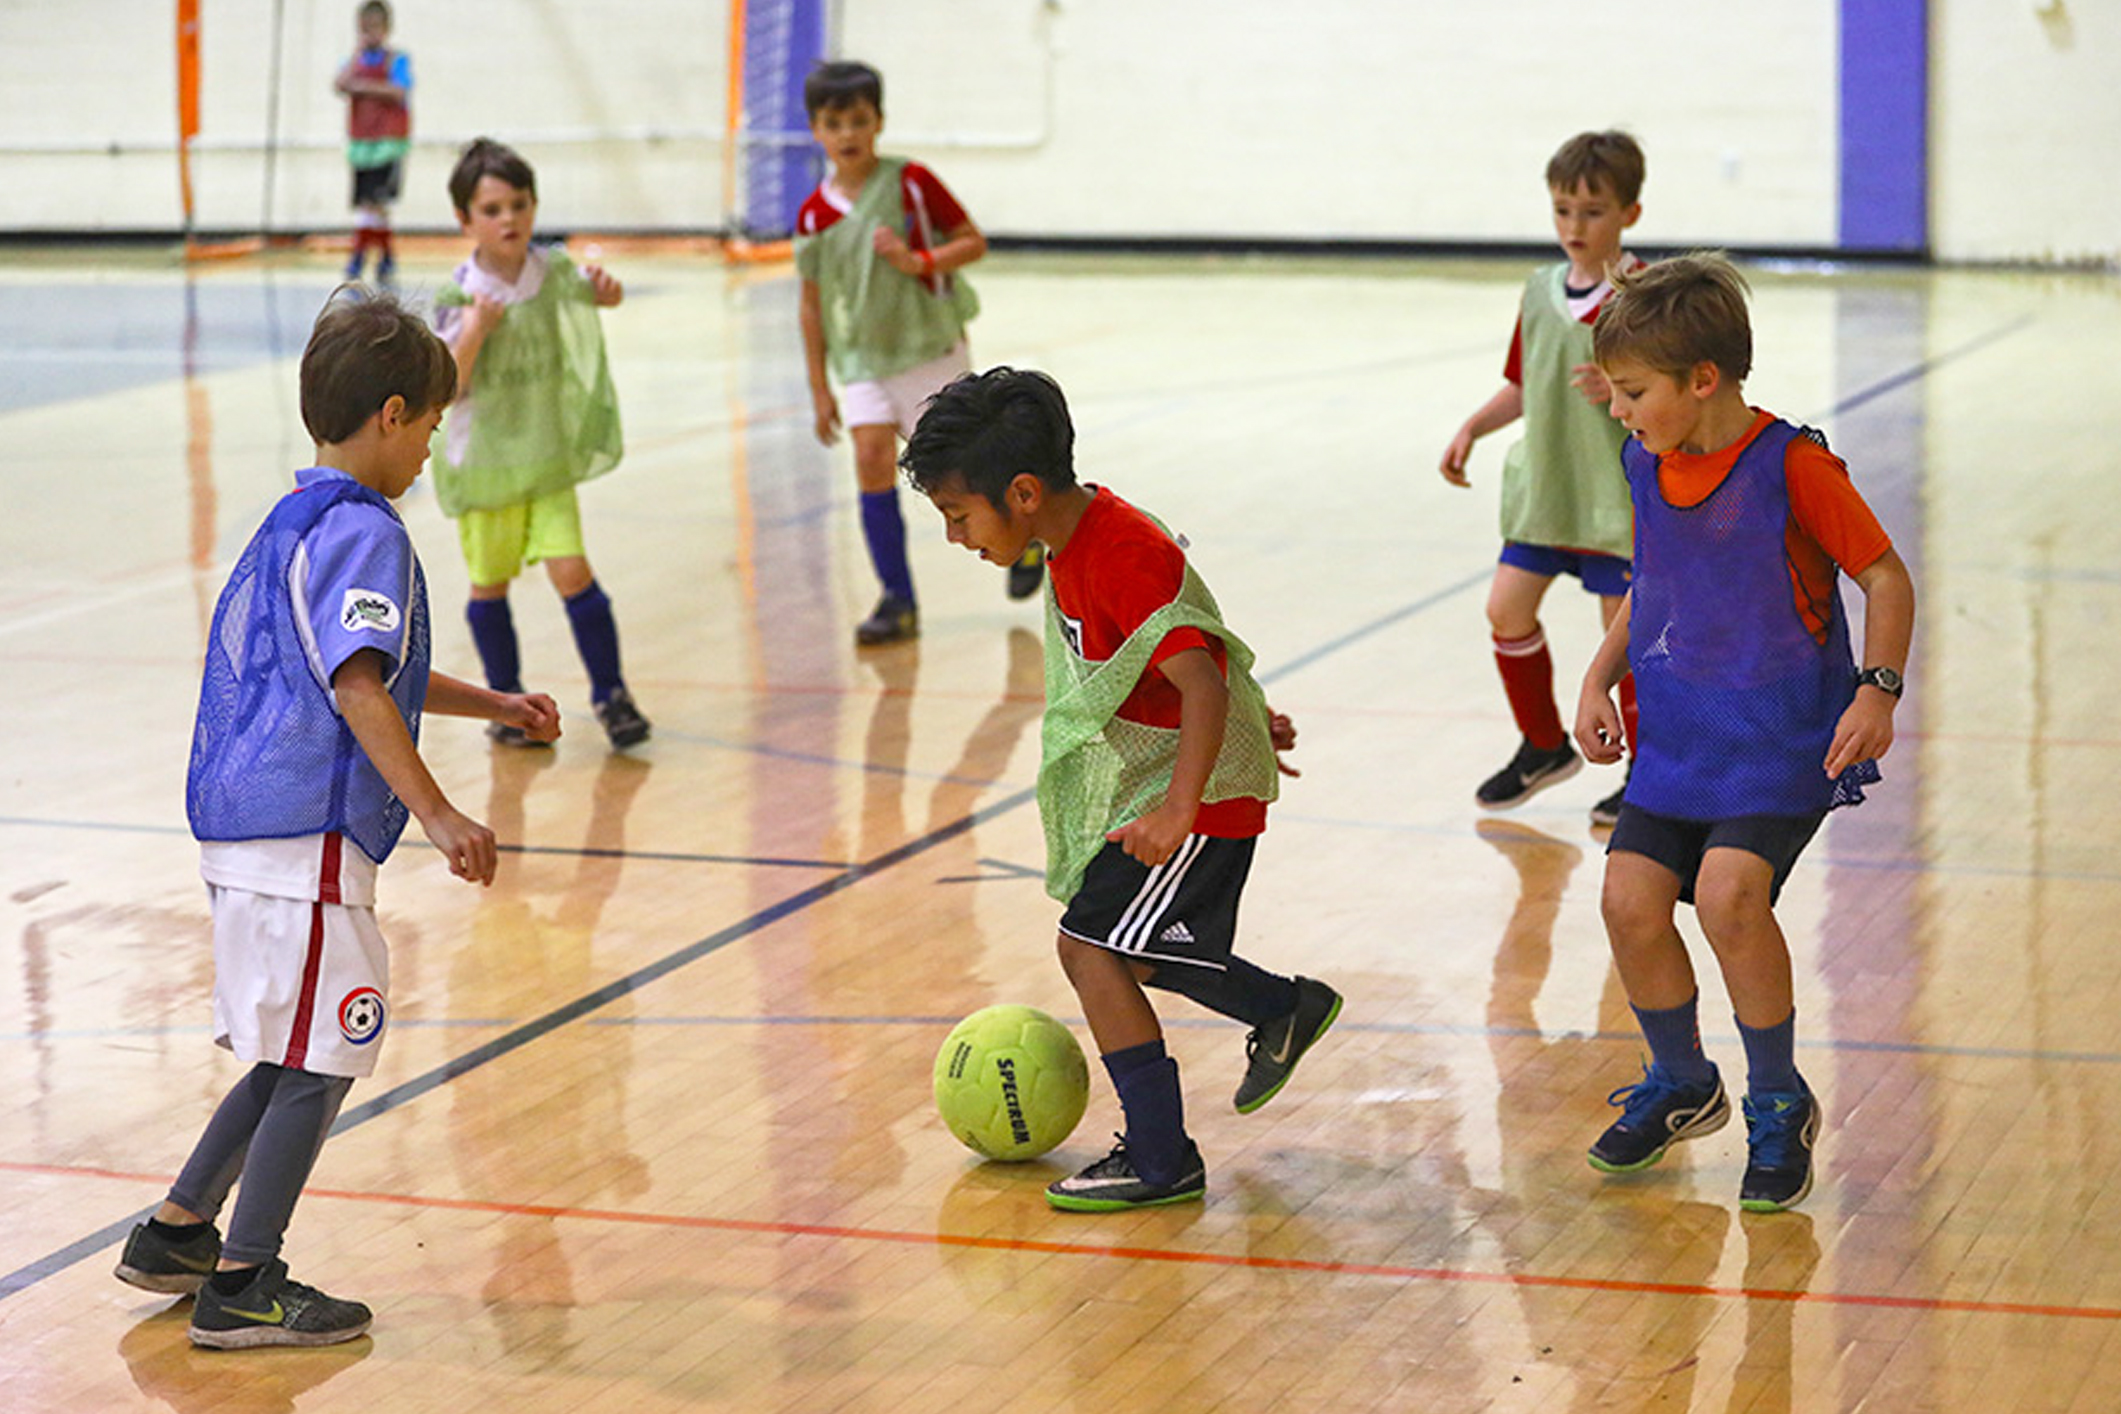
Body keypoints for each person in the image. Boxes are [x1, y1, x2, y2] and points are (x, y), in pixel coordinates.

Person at [112, 292, 562, 1346]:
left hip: (249, 827)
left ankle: (177, 1231)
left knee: (289, 1046)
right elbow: (359, 686)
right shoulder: (363, 529)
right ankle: (243, 1282)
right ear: (393, 414)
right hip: (300, 833)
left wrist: (492, 702)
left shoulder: (297, 518)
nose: (428, 456)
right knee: (328, 1049)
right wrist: (444, 813)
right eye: (432, 431)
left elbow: (368, 669)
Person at [900, 367, 1342, 1212]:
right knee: (1136, 949)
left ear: (1022, 492)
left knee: (1088, 948)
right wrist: (1250, 720)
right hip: (1184, 782)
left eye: (958, 517)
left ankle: (1159, 1155)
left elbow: (1201, 679)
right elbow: (1183, 658)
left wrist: (1179, 806)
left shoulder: (1119, 551)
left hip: (1197, 801)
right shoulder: (1073, 537)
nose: (956, 536)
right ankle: (1281, 1009)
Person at [1573, 253, 1915, 1212]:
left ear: (1703, 380)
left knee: (1728, 897)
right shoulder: (1647, 459)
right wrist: (1600, 675)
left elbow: (1884, 577)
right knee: (1628, 902)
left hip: (1777, 736)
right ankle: (1682, 1082)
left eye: (1633, 391)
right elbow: (1654, 589)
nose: (1619, 411)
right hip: (1681, 735)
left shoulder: (1793, 466)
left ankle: (1776, 1096)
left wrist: (1876, 691)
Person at [795, 59, 1044, 647]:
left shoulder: (911, 183)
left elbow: (972, 242)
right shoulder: (812, 216)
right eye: (834, 123)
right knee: (871, 455)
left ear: (878, 121)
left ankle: (1030, 541)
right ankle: (897, 599)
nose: (848, 134)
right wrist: (818, 385)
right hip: (861, 362)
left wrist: (919, 262)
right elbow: (809, 305)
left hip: (929, 350)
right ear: (816, 131)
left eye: (859, 120)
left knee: (968, 471)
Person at [1440, 131, 1649, 824]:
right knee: (1505, 609)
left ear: (1629, 214)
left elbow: (1677, 393)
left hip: (1616, 503)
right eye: (1562, 210)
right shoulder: (1537, 289)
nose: (1573, 227)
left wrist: (1628, 388)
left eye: (1591, 212)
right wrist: (1471, 426)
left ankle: (1644, 775)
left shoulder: (1644, 293)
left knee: (1620, 646)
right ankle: (1541, 746)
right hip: (1547, 493)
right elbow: (1523, 384)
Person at [431, 137, 651, 750]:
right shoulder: (459, 295)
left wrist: (607, 288)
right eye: (493, 209)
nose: (509, 219)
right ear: (464, 219)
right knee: (489, 585)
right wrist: (476, 326)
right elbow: (449, 383)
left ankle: (612, 695)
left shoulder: (551, 271)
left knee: (574, 571)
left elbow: (600, 290)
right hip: (485, 468)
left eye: (519, 205)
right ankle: (507, 704)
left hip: (546, 461)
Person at [333, 0, 411, 285]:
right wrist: (356, 58)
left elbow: (398, 92)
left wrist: (363, 87)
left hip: (388, 142)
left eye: (375, 28)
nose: (370, 35)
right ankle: (383, 256)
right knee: (366, 203)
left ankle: (361, 255)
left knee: (377, 202)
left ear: (387, 29)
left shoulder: (397, 60)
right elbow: (340, 84)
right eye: (365, 29)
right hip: (362, 144)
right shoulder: (355, 61)